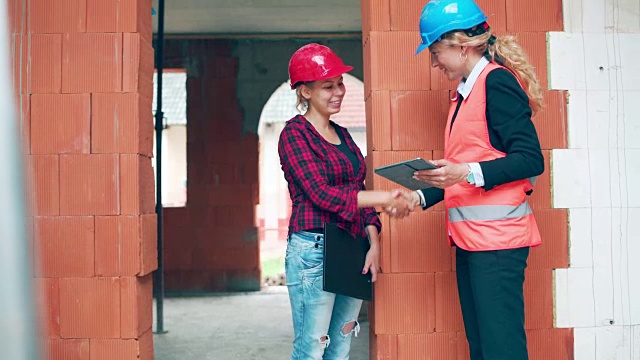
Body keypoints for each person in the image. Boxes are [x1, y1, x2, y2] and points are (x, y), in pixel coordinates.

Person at [402, 1, 546, 359]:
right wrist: (420, 197)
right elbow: (467, 167)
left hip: (497, 245)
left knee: (502, 349)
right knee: (483, 348)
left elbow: (530, 159)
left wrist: (464, 171)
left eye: (435, 52)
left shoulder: (495, 83)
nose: (434, 63)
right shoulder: (466, 93)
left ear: (460, 46)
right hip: (473, 244)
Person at [278, 43, 413, 360]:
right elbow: (321, 194)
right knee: (312, 347)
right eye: (328, 86)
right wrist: (384, 197)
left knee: (340, 346)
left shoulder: (345, 135)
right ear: (306, 91)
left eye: (340, 83)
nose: (339, 91)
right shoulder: (294, 134)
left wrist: (374, 241)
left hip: (353, 248)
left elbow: (357, 188)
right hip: (314, 249)